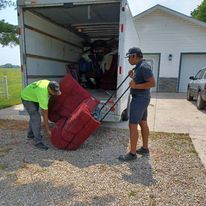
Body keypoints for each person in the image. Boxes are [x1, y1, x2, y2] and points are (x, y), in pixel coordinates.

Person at [119, 47, 155, 161]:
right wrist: (132, 76)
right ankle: (144, 148)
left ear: (134, 56)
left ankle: (132, 153)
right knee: (143, 122)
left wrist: (135, 86)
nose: (128, 60)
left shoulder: (143, 67)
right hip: (143, 98)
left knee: (132, 124)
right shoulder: (139, 67)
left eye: (129, 57)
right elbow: (141, 80)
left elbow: (152, 83)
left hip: (139, 99)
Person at [21, 80, 61, 150]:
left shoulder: (49, 83)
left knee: (33, 116)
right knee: (36, 118)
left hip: (33, 96)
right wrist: (47, 129)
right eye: (54, 92)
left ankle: (30, 135)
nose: (55, 94)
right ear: (49, 89)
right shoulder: (42, 94)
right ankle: (38, 142)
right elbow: (45, 114)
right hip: (27, 98)